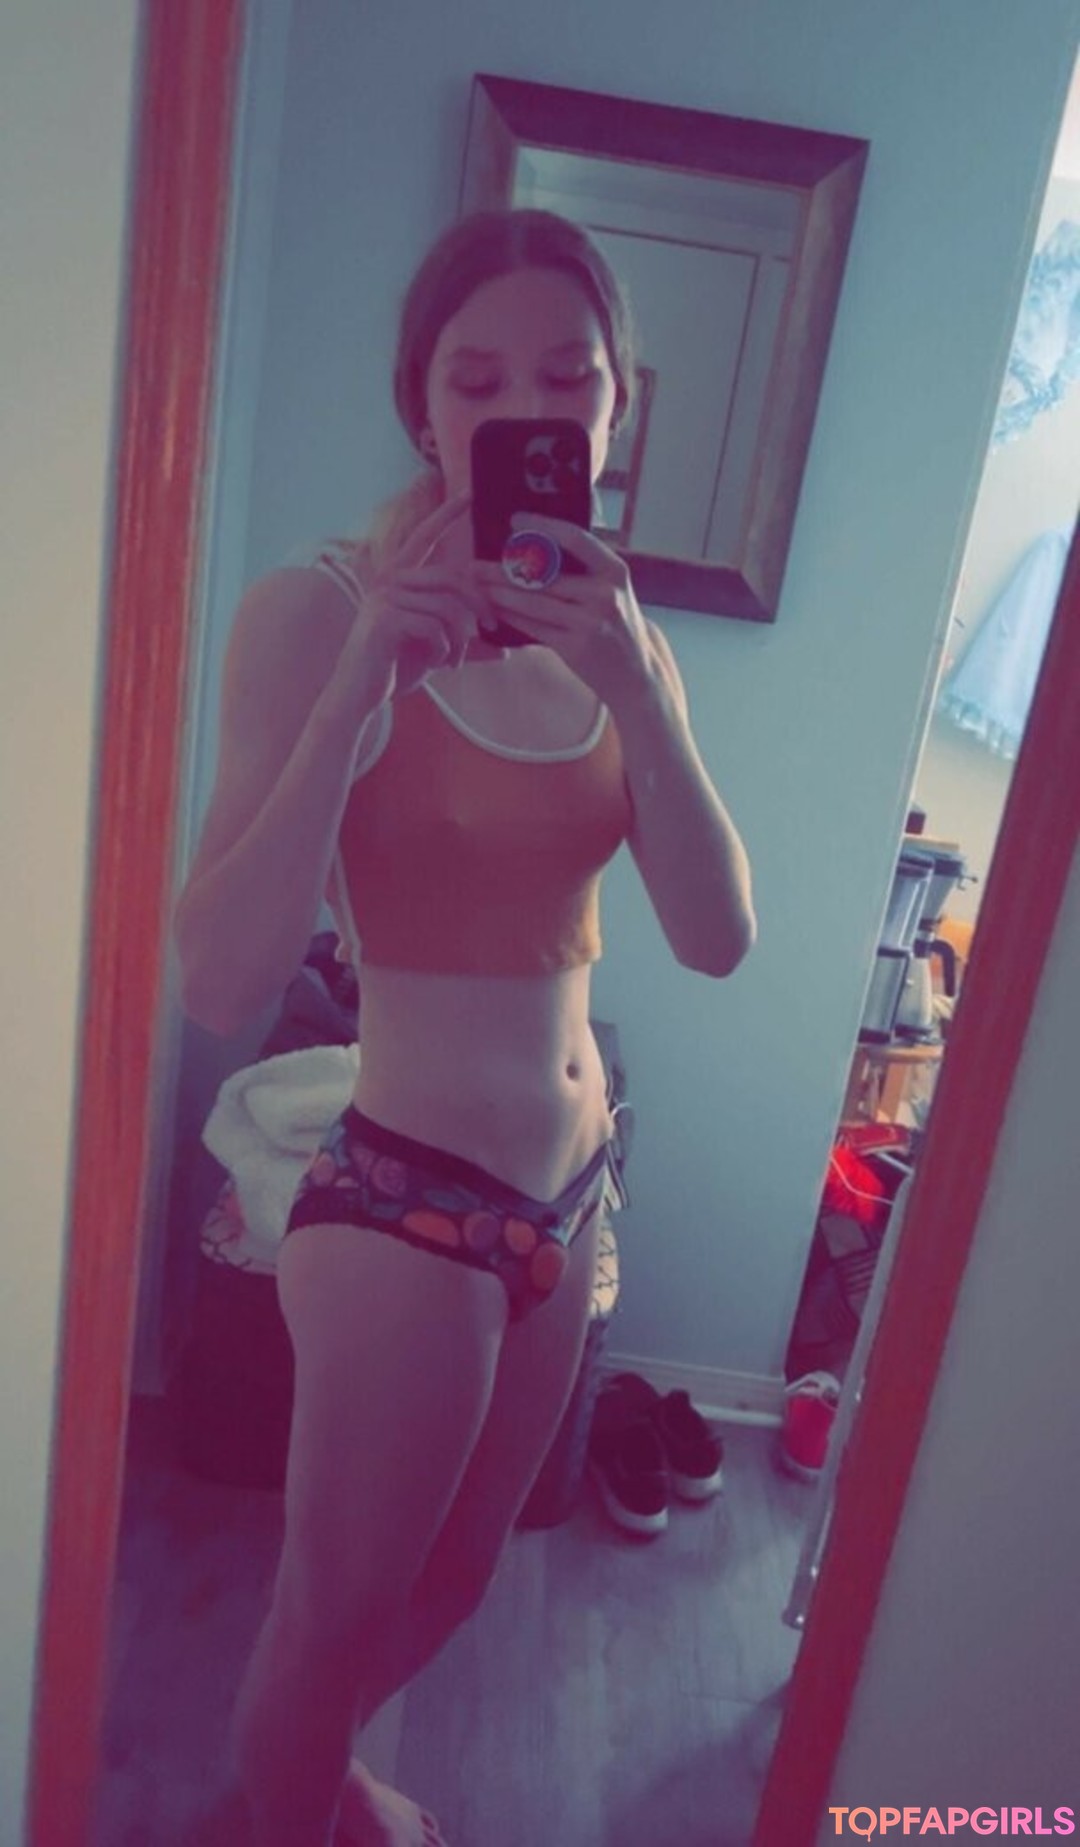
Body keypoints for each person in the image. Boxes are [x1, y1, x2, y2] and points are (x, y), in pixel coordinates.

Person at [176, 207, 756, 1847]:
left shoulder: (625, 643)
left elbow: (716, 938)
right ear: (421, 404)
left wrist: (637, 690)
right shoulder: (319, 610)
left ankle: (315, 1783)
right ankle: (287, 1806)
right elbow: (219, 977)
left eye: (568, 378)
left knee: (461, 1575)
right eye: (478, 378)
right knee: (329, 1612)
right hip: (404, 1203)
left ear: (617, 406)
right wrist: (362, 686)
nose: (526, 410)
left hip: (574, 1196)